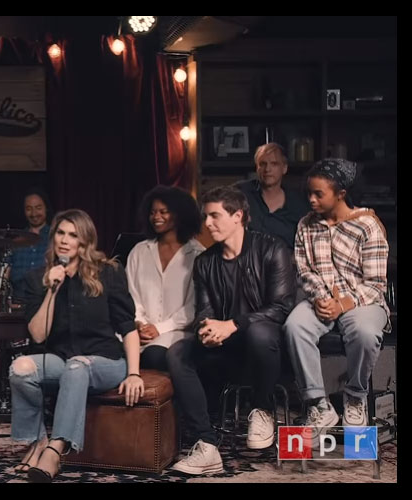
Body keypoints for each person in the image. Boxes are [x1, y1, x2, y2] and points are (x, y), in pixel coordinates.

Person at [168, 186, 296, 475]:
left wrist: (233, 324)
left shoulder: (273, 249)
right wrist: (206, 330)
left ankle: (262, 409)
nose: (207, 223)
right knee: (177, 352)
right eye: (206, 216)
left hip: (267, 354)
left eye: (215, 216)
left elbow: (282, 307)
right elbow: (204, 311)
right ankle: (207, 444)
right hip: (226, 353)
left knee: (259, 332)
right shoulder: (205, 262)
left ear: (238, 216)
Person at [10, 208, 143, 483]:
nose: (65, 240)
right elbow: (37, 335)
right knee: (20, 367)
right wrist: (51, 290)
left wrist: (134, 373)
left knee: (77, 365)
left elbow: (128, 328)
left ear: (85, 241)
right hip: (63, 360)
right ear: (53, 236)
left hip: (106, 361)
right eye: (60, 232)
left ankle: (55, 451)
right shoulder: (39, 278)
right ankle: (37, 440)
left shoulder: (108, 272)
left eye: (74, 235)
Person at [284, 159, 390, 435]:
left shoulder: (368, 225)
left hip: (361, 300)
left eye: (319, 194)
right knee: (295, 326)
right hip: (320, 299)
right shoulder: (306, 225)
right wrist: (322, 299)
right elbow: (304, 271)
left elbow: (375, 284)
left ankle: (355, 395)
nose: (311, 199)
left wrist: (343, 304)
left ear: (341, 194)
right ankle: (318, 404)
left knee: (365, 333)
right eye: (309, 192)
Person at [126, 186, 205, 371]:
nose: (156, 217)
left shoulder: (198, 255)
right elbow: (130, 294)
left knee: (154, 357)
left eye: (164, 212)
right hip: (139, 331)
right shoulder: (139, 251)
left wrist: (159, 328)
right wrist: (140, 323)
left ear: (179, 214)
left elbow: (194, 306)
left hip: (177, 333)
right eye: (153, 212)